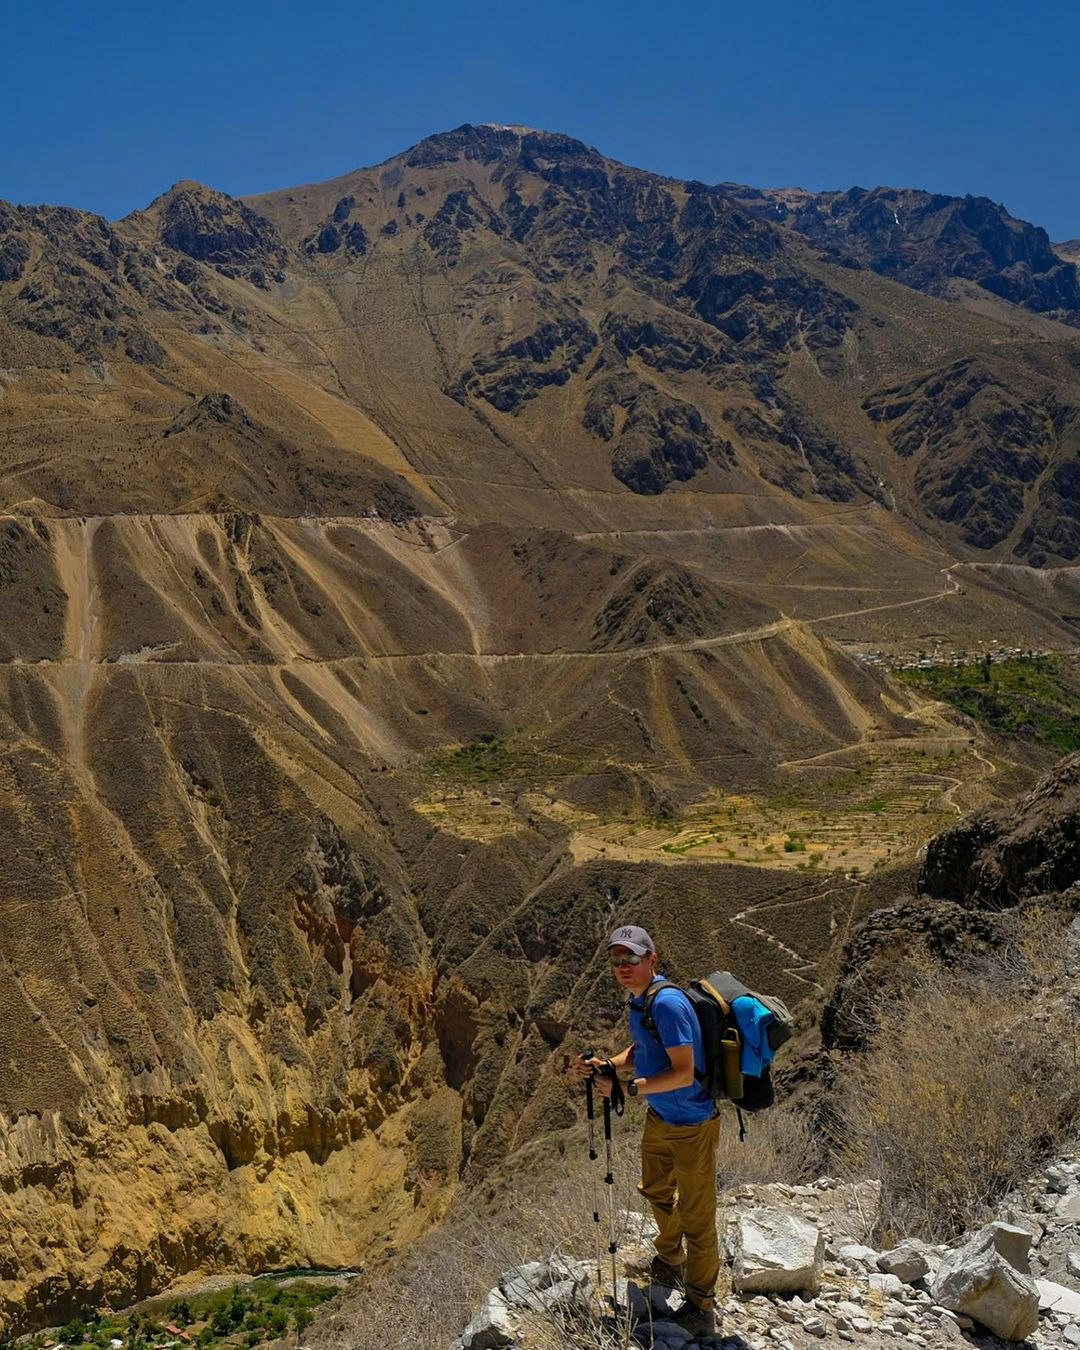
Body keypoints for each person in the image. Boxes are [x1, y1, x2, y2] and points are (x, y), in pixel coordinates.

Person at [577, 924, 719, 1337]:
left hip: (692, 1122)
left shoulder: (668, 1003)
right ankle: (671, 1261)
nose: (623, 966)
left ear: (652, 959)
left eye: (632, 958)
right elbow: (644, 1050)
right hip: (661, 1117)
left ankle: (700, 1306)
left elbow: (683, 1071)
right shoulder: (641, 1002)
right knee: (655, 1190)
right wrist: (611, 1065)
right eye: (617, 960)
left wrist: (628, 1088)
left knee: (697, 1216)